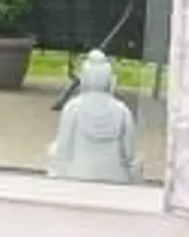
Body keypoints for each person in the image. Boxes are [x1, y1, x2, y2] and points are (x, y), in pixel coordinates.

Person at [49, 48, 142, 184]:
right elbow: (129, 155)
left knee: (52, 150)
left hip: (77, 173)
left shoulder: (73, 108)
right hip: (115, 176)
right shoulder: (122, 111)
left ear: (84, 80)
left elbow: (63, 150)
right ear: (111, 81)